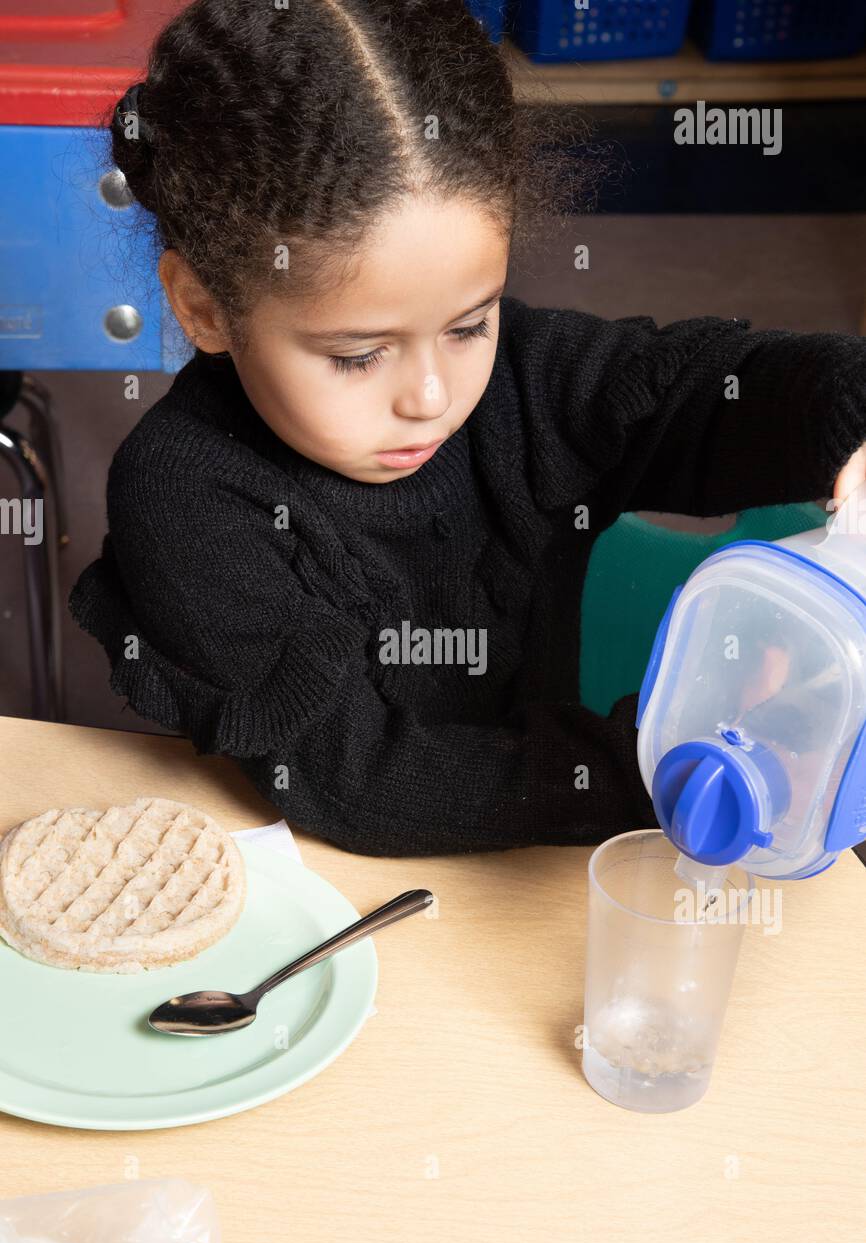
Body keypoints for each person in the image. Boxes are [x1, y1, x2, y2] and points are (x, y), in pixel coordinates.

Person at [69, 0, 866, 857]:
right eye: (358, 355)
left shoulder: (525, 376)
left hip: (539, 854)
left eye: (468, 324)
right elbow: (358, 781)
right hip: (329, 878)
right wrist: (663, 764)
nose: (432, 395)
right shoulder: (184, 496)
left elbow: (714, 388)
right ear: (203, 307)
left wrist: (853, 414)